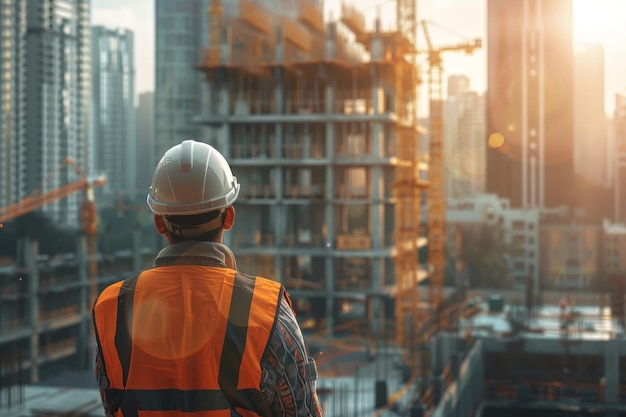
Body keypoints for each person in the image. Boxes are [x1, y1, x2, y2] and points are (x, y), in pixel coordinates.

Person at [92, 140, 323, 417]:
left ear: (159, 222)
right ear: (229, 217)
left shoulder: (113, 307)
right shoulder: (265, 308)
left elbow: (111, 403)